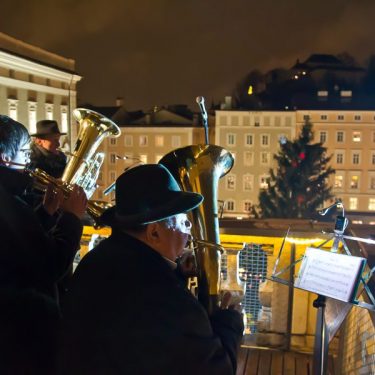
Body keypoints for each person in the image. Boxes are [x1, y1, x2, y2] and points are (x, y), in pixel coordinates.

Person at [59, 164, 244, 375]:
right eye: (184, 223)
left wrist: (175, 273)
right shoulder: (171, 300)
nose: (189, 233)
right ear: (154, 233)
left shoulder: (95, 261)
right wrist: (230, 323)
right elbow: (217, 369)